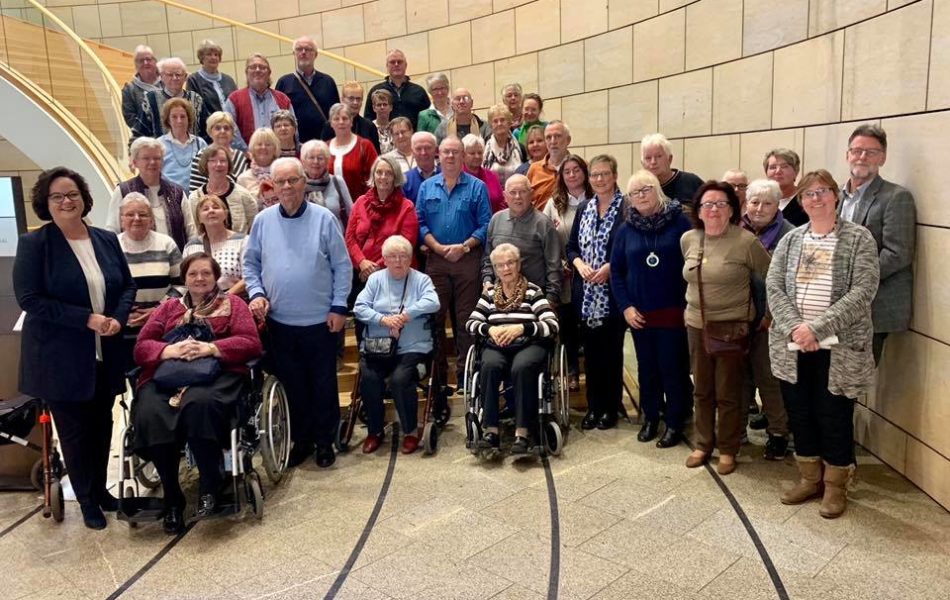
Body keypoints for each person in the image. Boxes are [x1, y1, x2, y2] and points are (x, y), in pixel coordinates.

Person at [14, 167, 136, 529]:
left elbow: (126, 286)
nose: (67, 201)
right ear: (45, 203)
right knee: (75, 432)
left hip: (106, 350)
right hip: (60, 357)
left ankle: (100, 489)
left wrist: (116, 317)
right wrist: (87, 319)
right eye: (57, 196)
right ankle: (86, 500)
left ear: (84, 198)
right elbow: (30, 299)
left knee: (102, 426)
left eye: (72, 194)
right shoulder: (35, 244)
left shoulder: (104, 239)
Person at [767, 169, 879, 518]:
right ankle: (809, 478)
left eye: (822, 192)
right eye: (808, 194)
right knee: (800, 413)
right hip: (793, 343)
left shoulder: (859, 239)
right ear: (801, 202)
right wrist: (797, 329)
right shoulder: (791, 240)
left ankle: (834, 486)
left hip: (839, 346)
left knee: (834, 414)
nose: (815, 199)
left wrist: (817, 328)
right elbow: (774, 287)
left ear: (835, 196)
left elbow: (863, 291)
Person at [132, 253, 262, 533]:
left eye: (205, 273)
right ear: (184, 278)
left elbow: (251, 342)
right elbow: (142, 347)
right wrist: (168, 350)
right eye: (193, 274)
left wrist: (211, 348)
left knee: (199, 404)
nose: (199, 278)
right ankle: (172, 496)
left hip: (217, 375)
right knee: (151, 410)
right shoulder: (167, 309)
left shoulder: (234, 304)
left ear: (216, 277)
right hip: (168, 375)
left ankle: (209, 486)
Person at [244, 158, 352, 469]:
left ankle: (324, 441)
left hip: (320, 321)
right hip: (280, 322)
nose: (287, 187)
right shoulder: (263, 221)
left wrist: (338, 306)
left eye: (293, 180)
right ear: (273, 187)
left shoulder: (324, 219)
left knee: (323, 385)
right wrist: (257, 293)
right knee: (293, 385)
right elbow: (251, 264)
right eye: (281, 182)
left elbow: (342, 266)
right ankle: (301, 440)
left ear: (304, 182)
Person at [681, 181, 771, 475]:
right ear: (699, 210)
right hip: (696, 325)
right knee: (701, 389)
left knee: (728, 392)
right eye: (708, 204)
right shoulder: (689, 239)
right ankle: (703, 443)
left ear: (733, 209)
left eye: (721, 204)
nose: (714, 210)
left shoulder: (746, 242)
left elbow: (773, 278)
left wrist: (769, 315)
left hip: (732, 328)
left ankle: (729, 449)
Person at [610, 171, 693, 448]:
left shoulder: (680, 223)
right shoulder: (625, 229)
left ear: (658, 190)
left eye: (646, 189)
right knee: (647, 369)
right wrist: (626, 307)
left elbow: (692, 266)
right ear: (630, 199)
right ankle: (651, 417)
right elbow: (617, 273)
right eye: (635, 192)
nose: (641, 196)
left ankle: (675, 420)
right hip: (639, 314)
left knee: (673, 368)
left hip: (673, 312)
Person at [416, 136, 492, 397]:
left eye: (455, 152)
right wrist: (437, 247)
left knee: (466, 323)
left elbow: (485, 225)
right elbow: (420, 223)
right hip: (436, 263)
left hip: (467, 261)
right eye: (446, 152)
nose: (450, 157)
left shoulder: (477, 187)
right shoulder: (426, 187)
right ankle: (438, 380)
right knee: (434, 320)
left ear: (462, 156)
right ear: (439, 155)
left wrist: (465, 246)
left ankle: (465, 378)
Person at [466, 243, 559, 454]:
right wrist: (489, 329)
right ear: (495, 269)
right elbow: (470, 323)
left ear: (519, 264)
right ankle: (491, 431)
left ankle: (523, 433)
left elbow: (552, 324)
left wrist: (521, 328)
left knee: (521, 367)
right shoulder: (489, 294)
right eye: (500, 265)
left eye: (510, 263)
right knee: (488, 365)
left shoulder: (533, 291)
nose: (506, 269)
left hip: (529, 344)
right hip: (496, 345)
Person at [354, 235, 440, 454]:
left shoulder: (421, 280)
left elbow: (433, 302)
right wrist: (383, 320)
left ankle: (411, 431)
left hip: (413, 347)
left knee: (400, 379)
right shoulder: (375, 280)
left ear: (411, 258)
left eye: (403, 256)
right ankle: (375, 431)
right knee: (370, 377)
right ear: (384, 259)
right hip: (379, 347)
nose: (398, 261)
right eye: (392, 256)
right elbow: (360, 308)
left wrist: (405, 316)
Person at [838, 124, 916, 365]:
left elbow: (897, 253)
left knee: (852, 378)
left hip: (872, 305)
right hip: (835, 305)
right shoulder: (836, 197)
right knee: (829, 379)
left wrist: (853, 281)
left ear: (882, 158)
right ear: (847, 154)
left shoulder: (895, 197)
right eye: (857, 150)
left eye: (871, 152)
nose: (862, 157)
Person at [566, 155, 626, 431]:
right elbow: (571, 248)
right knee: (590, 354)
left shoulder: (626, 209)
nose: (599, 180)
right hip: (586, 293)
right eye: (595, 175)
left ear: (614, 176)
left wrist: (610, 268)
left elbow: (629, 249)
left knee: (611, 354)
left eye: (605, 174)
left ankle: (610, 408)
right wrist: (579, 264)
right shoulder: (584, 208)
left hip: (613, 293)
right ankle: (594, 406)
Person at [741, 179, 794, 457]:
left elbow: (791, 284)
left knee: (768, 379)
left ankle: (778, 433)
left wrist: (772, 316)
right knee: (739, 379)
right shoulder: (734, 229)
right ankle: (736, 432)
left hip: (770, 322)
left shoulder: (789, 235)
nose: (760, 208)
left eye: (767, 203)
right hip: (738, 319)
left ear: (778, 205)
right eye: (754, 202)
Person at [542, 154, 591, 391]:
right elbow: (546, 237)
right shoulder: (554, 202)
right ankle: (571, 370)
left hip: (592, 274)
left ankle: (593, 372)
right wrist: (560, 263)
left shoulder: (595, 198)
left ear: (585, 172)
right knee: (568, 326)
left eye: (576, 170)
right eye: (567, 171)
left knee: (590, 327)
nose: (572, 175)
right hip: (565, 273)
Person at [117, 193, 182, 367]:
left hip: (163, 326)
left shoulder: (166, 244)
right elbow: (108, 289)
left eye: (143, 214)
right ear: (121, 219)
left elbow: (181, 285)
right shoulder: (112, 247)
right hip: (125, 326)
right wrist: (128, 313)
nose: (137, 219)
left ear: (152, 219)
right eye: (130, 214)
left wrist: (157, 311)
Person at [482, 174, 560, 304]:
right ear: (505, 196)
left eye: (522, 192)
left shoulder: (544, 224)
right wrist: (487, 281)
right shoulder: (496, 220)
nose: (517, 197)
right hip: (499, 297)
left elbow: (554, 266)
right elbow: (488, 258)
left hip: (534, 299)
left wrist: (551, 299)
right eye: (513, 192)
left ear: (531, 194)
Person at [346, 156, 419, 284]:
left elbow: (405, 245)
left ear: (395, 177)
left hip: (394, 275)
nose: (383, 177)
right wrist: (362, 262)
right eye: (379, 172)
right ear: (373, 175)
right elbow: (350, 239)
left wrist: (374, 269)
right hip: (360, 273)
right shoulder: (360, 202)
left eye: (388, 173)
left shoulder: (406, 207)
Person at [107, 137, 187, 250]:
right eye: (146, 158)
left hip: (174, 261)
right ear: (135, 162)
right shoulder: (122, 191)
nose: (152, 162)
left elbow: (191, 231)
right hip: (133, 261)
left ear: (163, 162)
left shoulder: (177, 192)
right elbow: (112, 230)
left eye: (157, 158)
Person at [275, 36, 339, 144]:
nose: (303, 52)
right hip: (296, 146)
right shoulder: (283, 82)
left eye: (308, 49)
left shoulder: (328, 82)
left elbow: (336, 114)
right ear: (294, 54)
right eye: (299, 49)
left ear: (316, 54)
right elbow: (278, 117)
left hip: (326, 144)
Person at [185, 144, 258, 237]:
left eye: (223, 161)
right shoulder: (194, 198)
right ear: (205, 165)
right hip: (205, 249)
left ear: (228, 165)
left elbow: (254, 229)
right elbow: (193, 231)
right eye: (213, 161)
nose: (218, 164)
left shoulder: (244, 195)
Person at [224, 53, 293, 151]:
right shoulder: (234, 99)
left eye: (262, 67)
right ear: (246, 72)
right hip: (246, 160)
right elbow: (229, 129)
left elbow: (293, 129)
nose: (257, 70)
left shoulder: (282, 99)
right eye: (252, 67)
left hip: (279, 158)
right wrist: (246, 152)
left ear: (269, 73)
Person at [182, 195, 248, 296]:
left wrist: (225, 297)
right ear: (199, 218)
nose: (211, 211)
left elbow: (251, 276)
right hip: (201, 304)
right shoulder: (191, 247)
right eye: (205, 209)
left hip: (234, 300)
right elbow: (186, 281)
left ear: (225, 214)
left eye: (216, 207)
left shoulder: (243, 241)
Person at [132, 58, 207, 143]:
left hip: (193, 152)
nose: (174, 78)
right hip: (161, 153)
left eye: (178, 74)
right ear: (161, 77)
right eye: (170, 75)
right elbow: (140, 132)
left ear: (185, 77)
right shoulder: (151, 99)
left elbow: (206, 131)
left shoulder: (196, 99)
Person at [364, 49, 430, 130]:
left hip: (412, 140)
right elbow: (368, 119)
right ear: (387, 66)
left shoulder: (419, 91)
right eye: (392, 62)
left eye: (399, 62)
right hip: (384, 140)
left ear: (406, 65)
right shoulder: (376, 91)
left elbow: (428, 119)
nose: (396, 64)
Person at [327, 103, 379, 201]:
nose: (341, 122)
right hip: (332, 208)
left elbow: (375, 178)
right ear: (331, 123)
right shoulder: (325, 148)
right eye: (336, 119)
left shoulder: (364, 146)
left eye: (345, 118)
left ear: (351, 122)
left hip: (362, 206)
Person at [185, 39, 238, 136]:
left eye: (216, 55)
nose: (213, 57)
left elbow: (236, 105)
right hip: (209, 134)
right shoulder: (193, 80)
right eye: (209, 54)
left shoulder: (229, 80)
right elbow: (195, 110)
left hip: (231, 132)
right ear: (201, 58)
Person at [188, 112, 249, 192]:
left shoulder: (240, 156)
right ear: (210, 132)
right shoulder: (201, 156)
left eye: (226, 128)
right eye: (218, 128)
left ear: (232, 132)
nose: (222, 131)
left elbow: (245, 188)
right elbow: (194, 191)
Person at [301, 139, 354, 231]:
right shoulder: (298, 184)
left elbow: (352, 214)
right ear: (303, 161)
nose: (316, 162)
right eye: (311, 157)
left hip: (336, 238)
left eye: (320, 158)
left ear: (327, 161)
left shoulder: (337, 181)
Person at [640, 133, 703, 209]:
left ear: (669, 159)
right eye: (648, 158)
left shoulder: (691, 182)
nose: (653, 162)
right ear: (642, 164)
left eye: (658, 156)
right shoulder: (638, 191)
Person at [159, 98, 208, 190]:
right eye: (174, 117)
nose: (179, 121)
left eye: (183, 116)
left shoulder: (200, 143)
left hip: (196, 196)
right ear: (168, 120)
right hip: (169, 198)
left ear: (188, 119)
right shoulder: (159, 144)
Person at [322, 81, 381, 153]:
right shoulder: (330, 126)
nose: (355, 102)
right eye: (351, 98)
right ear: (342, 99)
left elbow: (376, 158)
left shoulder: (369, 126)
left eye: (358, 99)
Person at [527, 121, 572, 209]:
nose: (553, 141)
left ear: (568, 140)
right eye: (548, 137)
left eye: (557, 136)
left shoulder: (580, 167)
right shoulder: (534, 169)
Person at [483, 104, 526, 187]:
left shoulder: (520, 148)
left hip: (516, 194)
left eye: (502, 120)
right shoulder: (485, 149)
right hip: (493, 197)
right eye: (495, 121)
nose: (499, 123)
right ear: (491, 125)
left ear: (509, 122)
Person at [462, 134, 506, 214]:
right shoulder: (456, 177)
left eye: (480, 153)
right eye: (472, 153)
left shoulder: (492, 176)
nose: (477, 156)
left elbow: (501, 202)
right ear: (463, 155)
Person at [765, 148, 808, 226]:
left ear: (796, 171)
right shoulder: (759, 201)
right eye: (773, 167)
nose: (778, 171)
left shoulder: (806, 200)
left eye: (784, 166)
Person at [121, 45, 160, 129]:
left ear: (155, 61)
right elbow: (130, 118)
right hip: (144, 137)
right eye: (141, 61)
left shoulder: (167, 82)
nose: (145, 63)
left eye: (148, 59)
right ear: (136, 65)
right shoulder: (129, 90)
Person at [237, 127, 281, 198]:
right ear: (252, 148)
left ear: (275, 148)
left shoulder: (283, 174)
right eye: (259, 144)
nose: (263, 147)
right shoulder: (243, 179)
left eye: (268, 144)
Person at [403, 131, 440, 202]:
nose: (423, 153)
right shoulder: (405, 181)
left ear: (436, 150)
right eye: (418, 149)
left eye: (428, 148)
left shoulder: (447, 177)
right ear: (412, 152)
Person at [370, 89, 396, 154]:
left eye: (385, 104)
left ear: (391, 107)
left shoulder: (395, 127)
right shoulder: (369, 128)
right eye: (379, 105)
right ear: (374, 108)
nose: (382, 107)